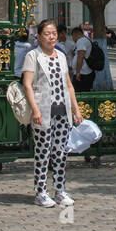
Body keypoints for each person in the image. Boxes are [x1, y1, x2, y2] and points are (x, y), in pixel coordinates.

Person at [22, 19, 83, 207]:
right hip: (43, 110)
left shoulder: (62, 56)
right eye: (47, 34)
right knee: (43, 152)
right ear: (39, 36)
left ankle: (60, 190)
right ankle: (41, 191)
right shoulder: (33, 56)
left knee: (60, 152)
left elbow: (69, 85)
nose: (51, 37)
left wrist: (76, 109)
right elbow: (27, 84)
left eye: (54, 33)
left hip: (62, 111)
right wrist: (35, 109)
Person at [70, 25, 95, 92]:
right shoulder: (86, 40)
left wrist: (78, 72)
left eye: (72, 37)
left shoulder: (81, 41)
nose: (73, 39)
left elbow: (80, 57)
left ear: (75, 34)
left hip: (83, 74)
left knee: (79, 95)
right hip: (84, 73)